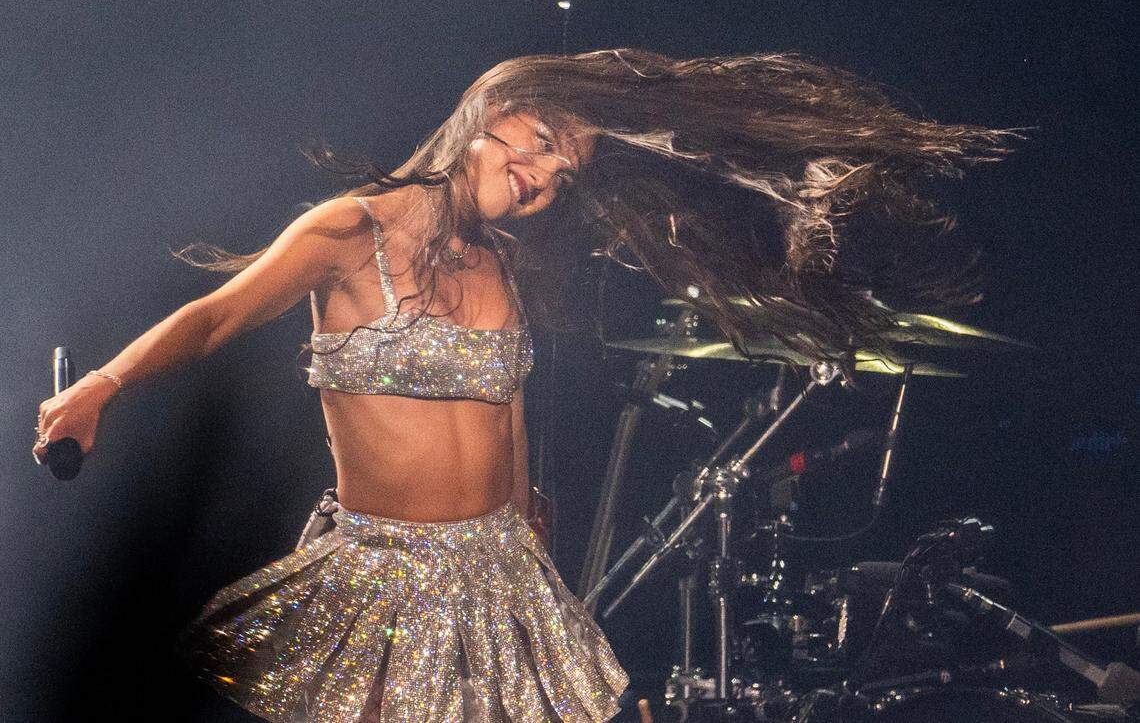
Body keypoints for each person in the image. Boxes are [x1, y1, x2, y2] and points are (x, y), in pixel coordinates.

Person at [33, 48, 1016, 722]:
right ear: (480, 120)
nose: (546, 173)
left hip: (502, 571)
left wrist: (526, 523)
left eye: (566, 166)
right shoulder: (348, 232)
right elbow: (214, 316)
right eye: (538, 140)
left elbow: (503, 408)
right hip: (386, 579)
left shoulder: (500, 263)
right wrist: (102, 389)